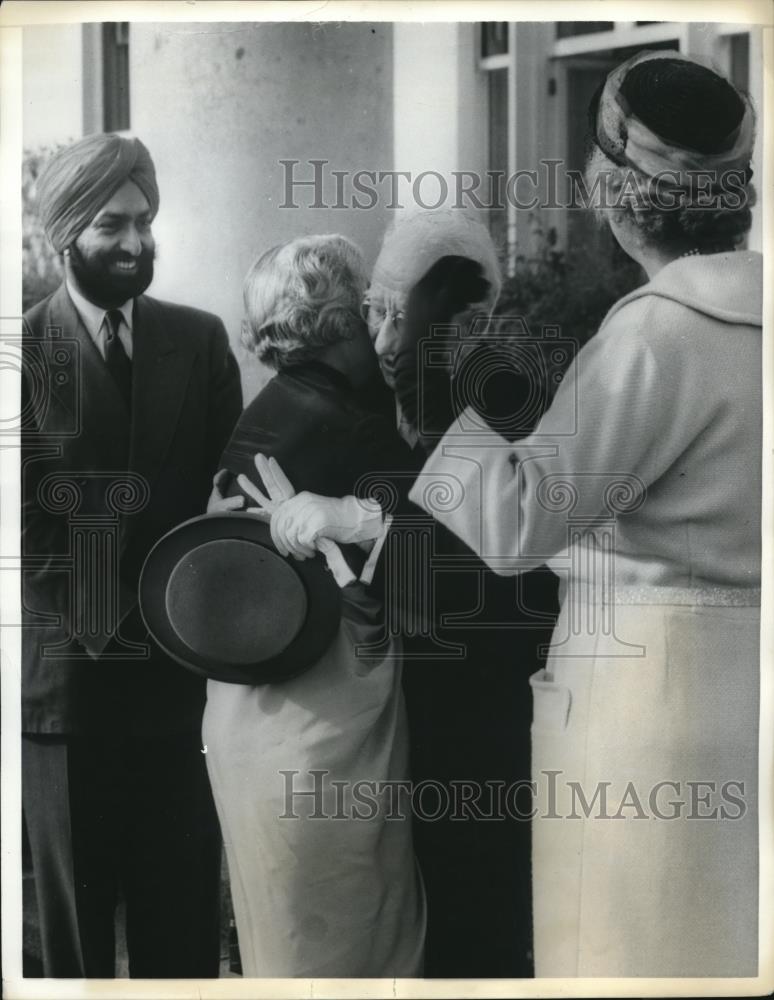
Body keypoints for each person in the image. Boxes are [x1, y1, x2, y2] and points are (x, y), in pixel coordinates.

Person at [257, 51, 761, 977]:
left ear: (611, 190)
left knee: (622, 952)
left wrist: (432, 430)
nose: (377, 331)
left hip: (643, 705)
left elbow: (518, 525)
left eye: (391, 308)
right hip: (742, 696)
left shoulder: (650, 335)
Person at [244, 211, 559, 977]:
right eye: (373, 314)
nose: (382, 344)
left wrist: (348, 518)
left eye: (400, 319)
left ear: (471, 319)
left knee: (478, 930)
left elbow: (451, 559)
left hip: (487, 725)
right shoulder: (430, 391)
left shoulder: (506, 387)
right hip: (441, 710)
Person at [21, 133, 242, 977]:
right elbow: (25, 537)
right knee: (70, 948)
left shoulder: (201, 339)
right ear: (67, 232)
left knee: (181, 935)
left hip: (181, 691)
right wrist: (146, 605)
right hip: (68, 697)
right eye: (114, 225)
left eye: (145, 222)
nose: (137, 244)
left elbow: (230, 501)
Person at [202, 234, 426, 977]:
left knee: (290, 946)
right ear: (335, 325)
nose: (380, 328)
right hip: (319, 727)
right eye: (366, 310)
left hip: (251, 716)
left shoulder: (274, 407)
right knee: (350, 946)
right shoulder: (351, 424)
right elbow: (451, 542)